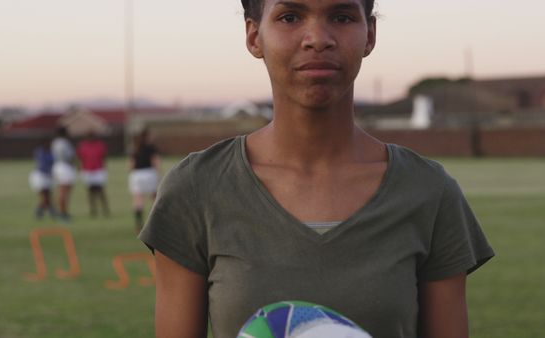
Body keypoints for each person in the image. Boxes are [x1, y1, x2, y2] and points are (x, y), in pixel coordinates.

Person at [139, 1, 495, 337]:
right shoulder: (197, 188)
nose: (318, 39)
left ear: (370, 34)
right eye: (290, 16)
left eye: (341, 16)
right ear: (253, 36)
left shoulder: (428, 192)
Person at [128, 129, 160, 233]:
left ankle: (139, 225)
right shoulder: (151, 148)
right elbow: (155, 162)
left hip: (136, 175)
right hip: (149, 173)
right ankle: (155, 224)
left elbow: (130, 165)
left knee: (138, 200)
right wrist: (158, 174)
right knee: (155, 198)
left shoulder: (135, 148)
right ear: (146, 137)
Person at [76, 131, 110, 217]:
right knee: (90, 192)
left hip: (98, 170)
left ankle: (105, 209)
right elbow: (79, 158)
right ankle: (93, 210)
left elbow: (104, 156)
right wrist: (80, 168)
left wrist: (104, 167)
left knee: (101, 191)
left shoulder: (100, 145)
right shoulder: (82, 146)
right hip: (87, 171)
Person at [51, 126, 76, 222]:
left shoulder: (55, 142)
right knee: (64, 192)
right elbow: (70, 156)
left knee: (61, 191)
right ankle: (63, 213)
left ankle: (62, 211)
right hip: (64, 167)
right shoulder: (65, 143)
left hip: (57, 167)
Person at [28, 138, 56, 219]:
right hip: (40, 176)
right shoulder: (40, 152)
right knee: (44, 196)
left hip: (48, 176)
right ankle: (48, 212)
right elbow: (43, 166)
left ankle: (47, 212)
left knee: (48, 196)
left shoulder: (51, 152)